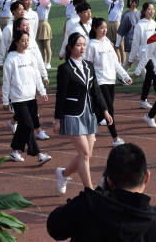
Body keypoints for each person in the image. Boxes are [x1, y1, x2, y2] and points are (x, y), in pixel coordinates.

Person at [46, 143, 156, 242]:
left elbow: (54, 229)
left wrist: (96, 192)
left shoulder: (87, 204)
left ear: (109, 180)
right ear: (146, 177)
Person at [53, 32, 112, 194]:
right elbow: (60, 95)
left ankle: (63, 174)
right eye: (78, 45)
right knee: (84, 153)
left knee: (87, 154)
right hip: (72, 114)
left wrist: (105, 110)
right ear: (70, 47)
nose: (82, 48)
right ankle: (89, 191)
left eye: (84, 45)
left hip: (89, 113)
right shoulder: (64, 69)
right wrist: (57, 119)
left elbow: (96, 90)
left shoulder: (89, 65)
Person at [2, 30, 51, 165]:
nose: (26, 43)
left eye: (27, 40)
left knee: (24, 126)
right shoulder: (10, 59)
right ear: (16, 42)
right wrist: (5, 100)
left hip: (31, 97)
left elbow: (36, 75)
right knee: (29, 125)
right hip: (18, 98)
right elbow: (6, 82)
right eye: (23, 41)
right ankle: (39, 155)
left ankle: (13, 151)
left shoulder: (30, 55)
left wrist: (42, 91)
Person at [86, 18, 132, 146]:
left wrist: (125, 76)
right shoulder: (91, 45)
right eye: (102, 28)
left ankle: (89, 129)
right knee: (109, 110)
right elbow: (88, 65)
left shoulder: (107, 43)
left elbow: (115, 63)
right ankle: (115, 138)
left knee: (102, 111)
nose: (104, 30)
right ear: (95, 29)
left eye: (105, 27)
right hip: (99, 81)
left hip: (111, 80)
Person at [127, 2, 156, 110]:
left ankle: (143, 100)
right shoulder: (139, 25)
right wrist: (130, 59)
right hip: (144, 53)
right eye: (149, 9)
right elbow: (135, 44)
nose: (151, 11)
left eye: (153, 9)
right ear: (144, 11)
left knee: (150, 76)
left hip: (154, 54)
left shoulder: (154, 23)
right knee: (153, 71)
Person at [115, 0, 139, 65]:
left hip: (140, 42)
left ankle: (123, 72)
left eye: (135, 1)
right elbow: (121, 31)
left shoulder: (140, 14)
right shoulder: (126, 15)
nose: (134, 3)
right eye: (132, 1)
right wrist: (117, 44)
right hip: (131, 42)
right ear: (129, 2)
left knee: (130, 61)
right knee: (139, 61)